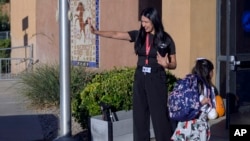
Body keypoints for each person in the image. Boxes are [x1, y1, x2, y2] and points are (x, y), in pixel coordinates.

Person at [90, 7, 177, 141]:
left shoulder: (166, 39)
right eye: (142, 22)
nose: (143, 25)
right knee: (140, 115)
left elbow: (174, 64)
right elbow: (116, 34)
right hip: (140, 77)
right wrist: (96, 32)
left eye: (146, 22)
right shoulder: (139, 35)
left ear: (154, 20)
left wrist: (166, 65)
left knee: (159, 116)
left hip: (156, 77)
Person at [171, 58, 216, 141]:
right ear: (208, 72)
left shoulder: (190, 82)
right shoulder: (208, 88)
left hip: (184, 123)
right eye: (212, 70)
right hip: (198, 126)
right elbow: (211, 112)